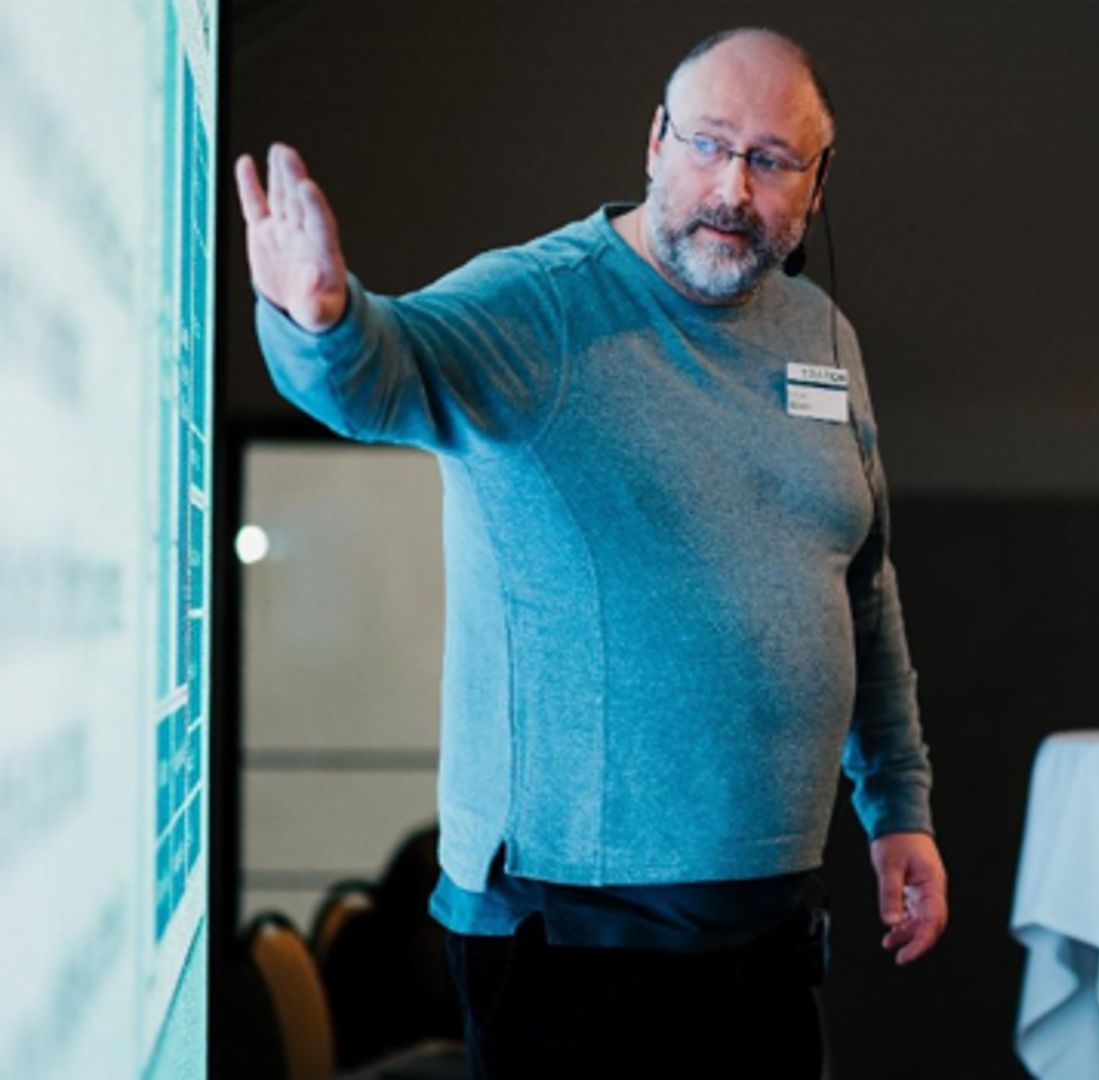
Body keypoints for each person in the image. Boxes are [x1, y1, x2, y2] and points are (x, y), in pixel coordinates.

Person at [235, 26, 946, 1078]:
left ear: (818, 180)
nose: (732, 189)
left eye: (770, 159)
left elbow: (863, 589)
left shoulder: (821, 337)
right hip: (572, 936)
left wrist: (900, 806)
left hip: (770, 924)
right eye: (707, 144)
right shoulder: (544, 304)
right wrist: (319, 316)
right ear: (655, 140)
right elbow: (379, 375)